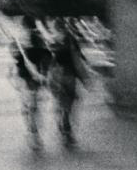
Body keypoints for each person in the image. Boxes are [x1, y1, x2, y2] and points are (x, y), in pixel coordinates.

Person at [11, 18, 51, 150]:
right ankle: (33, 133)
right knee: (31, 106)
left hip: (28, 78)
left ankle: (33, 133)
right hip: (30, 78)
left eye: (24, 27)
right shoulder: (30, 40)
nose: (25, 30)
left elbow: (46, 57)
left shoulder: (30, 40)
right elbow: (47, 57)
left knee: (31, 106)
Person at [47, 20, 84, 151]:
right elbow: (78, 60)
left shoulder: (53, 42)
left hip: (58, 75)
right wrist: (84, 78)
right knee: (69, 104)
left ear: (57, 28)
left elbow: (50, 61)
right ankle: (67, 130)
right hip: (69, 76)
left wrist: (49, 76)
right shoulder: (72, 40)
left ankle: (63, 126)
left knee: (60, 103)